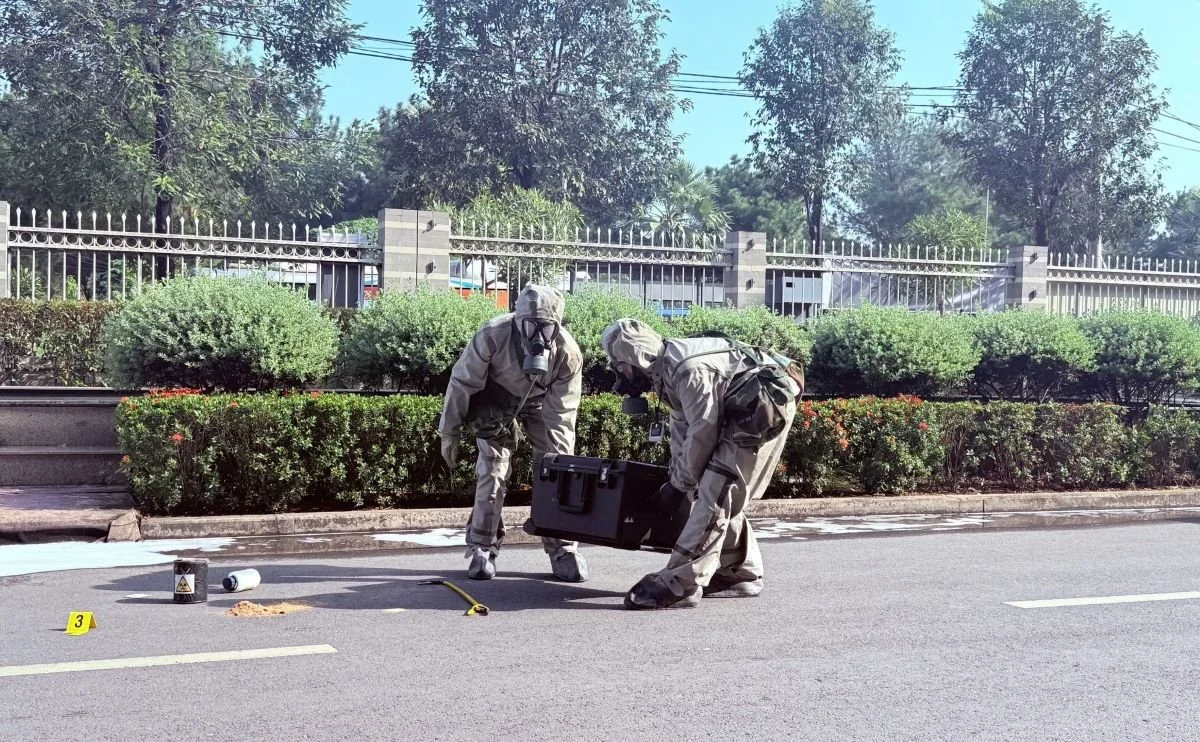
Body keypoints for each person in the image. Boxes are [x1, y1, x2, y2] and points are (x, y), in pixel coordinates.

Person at [600, 318, 802, 609]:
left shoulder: (687, 371)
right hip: (741, 405)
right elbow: (683, 429)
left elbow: (703, 432)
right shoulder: (667, 369)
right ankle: (739, 573)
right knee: (714, 488)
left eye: (620, 366)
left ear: (636, 359)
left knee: (717, 490)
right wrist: (677, 480)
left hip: (763, 405)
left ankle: (680, 583)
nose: (620, 375)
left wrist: (679, 485)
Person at [438, 284, 589, 583]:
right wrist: (449, 432)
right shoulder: (492, 335)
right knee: (493, 469)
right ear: (517, 320)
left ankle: (562, 548)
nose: (538, 335)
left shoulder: (568, 353)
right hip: (496, 400)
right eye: (531, 326)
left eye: (547, 327)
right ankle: (482, 547)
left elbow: (562, 417)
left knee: (556, 468)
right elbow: (462, 383)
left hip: (541, 403)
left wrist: (560, 464)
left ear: (558, 325)